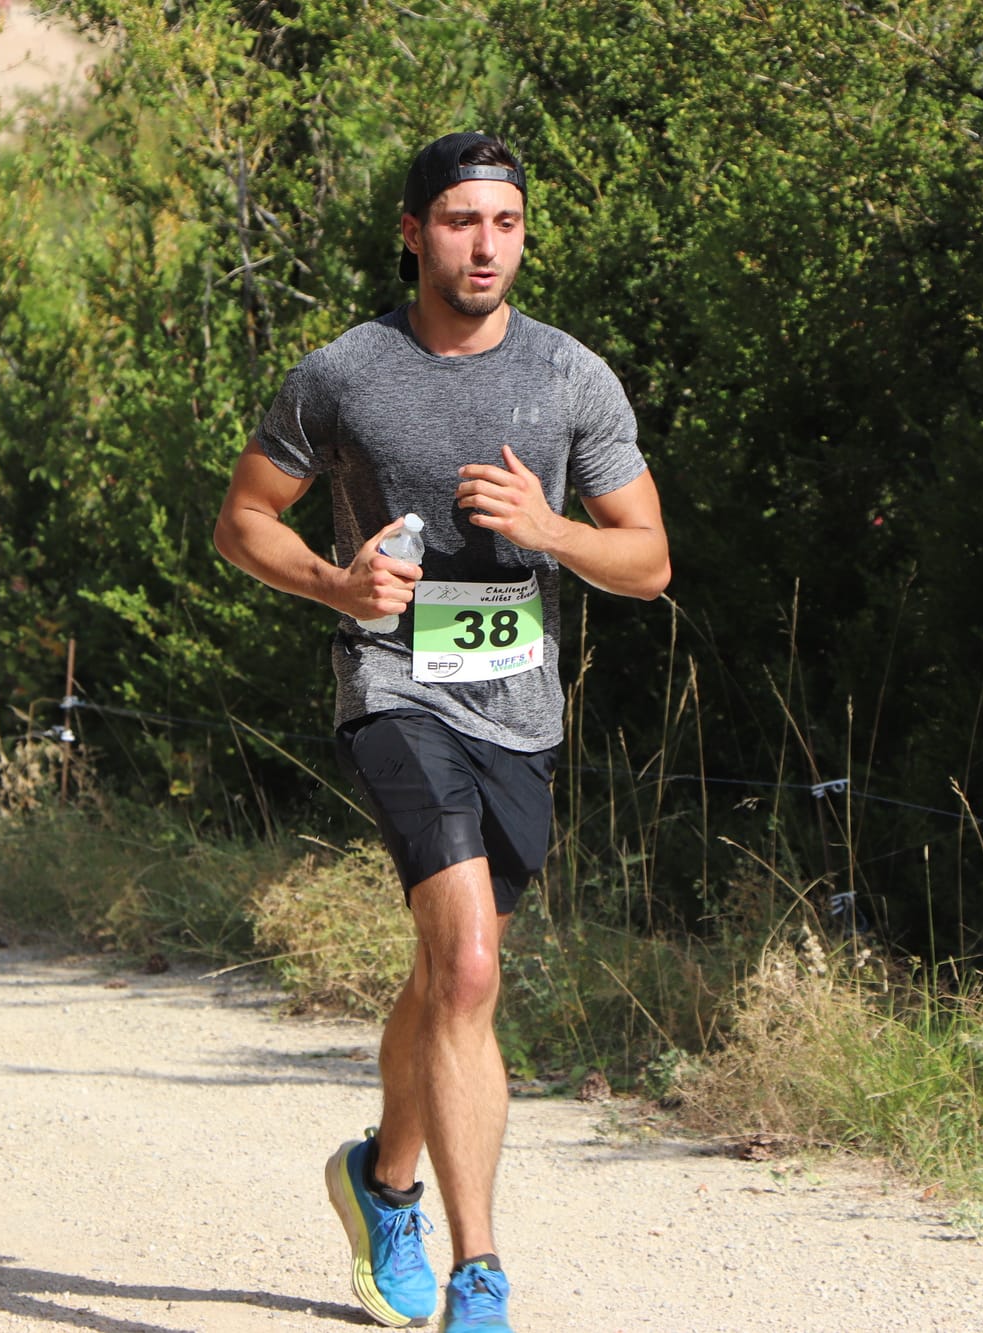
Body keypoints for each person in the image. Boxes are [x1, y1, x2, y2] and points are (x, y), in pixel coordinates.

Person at [214, 133, 669, 1332]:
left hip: (519, 712)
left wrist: (549, 528)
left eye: (505, 223)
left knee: (446, 978)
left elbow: (648, 560)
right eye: (461, 221)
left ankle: (381, 1180)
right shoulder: (344, 374)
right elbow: (243, 520)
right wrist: (335, 583)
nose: (484, 246)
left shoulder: (569, 376)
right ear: (413, 233)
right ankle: (479, 1273)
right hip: (393, 689)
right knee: (465, 966)